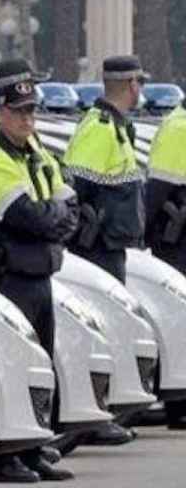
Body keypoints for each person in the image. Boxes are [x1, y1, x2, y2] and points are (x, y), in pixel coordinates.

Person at [0, 59, 79, 483]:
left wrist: (56, 216)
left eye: (32, 111)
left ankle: (32, 447)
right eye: (19, 112)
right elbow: (31, 217)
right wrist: (56, 215)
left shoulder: (35, 152)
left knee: (40, 364)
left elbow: (70, 209)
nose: (28, 119)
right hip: (10, 276)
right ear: (0, 112)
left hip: (39, 273)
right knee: (13, 365)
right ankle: (4, 455)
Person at [62, 56, 148, 284]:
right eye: (141, 83)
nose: (141, 89)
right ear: (132, 84)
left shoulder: (114, 125)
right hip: (96, 251)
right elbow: (75, 188)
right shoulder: (100, 128)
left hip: (109, 247)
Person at [145, 97, 186, 429]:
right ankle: (179, 405)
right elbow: (158, 192)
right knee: (179, 321)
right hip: (176, 242)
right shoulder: (179, 128)